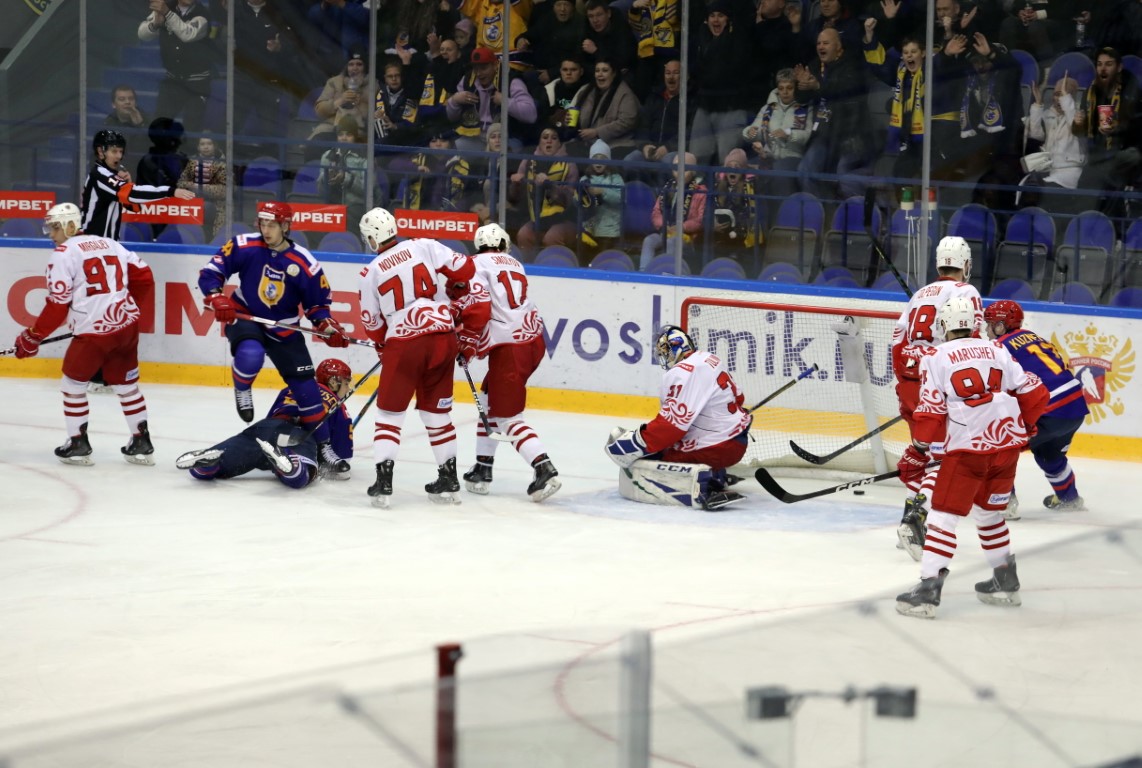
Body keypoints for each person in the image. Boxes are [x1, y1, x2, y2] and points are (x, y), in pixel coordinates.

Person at [895, 297, 1048, 619]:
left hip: (967, 452)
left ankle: (927, 591)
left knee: (941, 516)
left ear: (944, 326)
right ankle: (1005, 582)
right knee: (990, 515)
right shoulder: (998, 350)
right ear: (975, 324)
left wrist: (918, 450)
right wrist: (1027, 426)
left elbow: (932, 412)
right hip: (1005, 450)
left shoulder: (935, 356)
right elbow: (1035, 392)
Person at [197, 201, 353, 478]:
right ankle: (242, 389)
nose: (266, 230)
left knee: (307, 390)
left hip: (285, 328)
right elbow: (212, 273)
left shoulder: (305, 262)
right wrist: (216, 295)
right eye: (263, 224)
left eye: (272, 225)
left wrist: (327, 326)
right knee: (250, 354)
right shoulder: (244, 245)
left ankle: (325, 447)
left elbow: (318, 306)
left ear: (286, 226)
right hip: (246, 316)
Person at [10, 203, 156, 466]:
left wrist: (32, 337)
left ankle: (78, 443)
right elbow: (145, 277)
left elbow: (57, 304)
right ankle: (141, 441)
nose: (51, 234)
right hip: (126, 328)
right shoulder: (109, 243)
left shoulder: (64, 254)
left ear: (70, 225)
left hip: (93, 334)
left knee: (72, 384)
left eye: (55, 227)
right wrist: (126, 307)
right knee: (126, 385)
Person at [356, 207, 476, 508]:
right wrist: (455, 286)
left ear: (372, 238)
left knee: (389, 414)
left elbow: (371, 322)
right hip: (443, 336)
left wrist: (385, 344)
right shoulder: (424, 244)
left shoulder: (370, 271)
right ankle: (448, 478)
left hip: (406, 340)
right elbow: (465, 270)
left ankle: (384, 482)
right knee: (437, 414)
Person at [450, 223, 561, 502]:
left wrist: (467, 343)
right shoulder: (514, 262)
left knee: (507, 417)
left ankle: (543, 467)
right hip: (532, 340)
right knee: (489, 399)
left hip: (511, 347)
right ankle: (483, 467)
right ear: (503, 243)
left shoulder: (473, 264)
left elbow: (479, 306)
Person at [891, 235, 983, 560]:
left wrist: (905, 384)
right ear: (966, 265)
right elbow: (975, 339)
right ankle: (917, 516)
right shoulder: (967, 291)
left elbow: (896, 339)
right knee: (944, 456)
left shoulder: (919, 293)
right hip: (940, 379)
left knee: (922, 452)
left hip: (910, 378)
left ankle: (907, 518)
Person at [604, 325, 752, 511]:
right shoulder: (709, 358)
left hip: (716, 447)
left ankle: (704, 484)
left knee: (654, 459)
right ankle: (716, 471)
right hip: (738, 440)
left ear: (674, 349)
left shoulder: (682, 372)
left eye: (665, 352)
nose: (664, 358)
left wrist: (635, 443)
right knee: (669, 445)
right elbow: (739, 399)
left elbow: (670, 428)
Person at [175, 359, 355, 488]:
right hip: (297, 434)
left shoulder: (291, 389)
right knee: (304, 474)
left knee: (231, 458)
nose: (349, 389)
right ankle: (293, 467)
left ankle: (208, 466)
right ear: (333, 382)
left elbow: (273, 417)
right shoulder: (336, 404)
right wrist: (336, 462)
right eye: (347, 383)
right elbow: (341, 457)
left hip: (264, 428)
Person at [983, 300, 1089, 514]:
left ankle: (1003, 504)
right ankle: (1069, 499)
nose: (986, 330)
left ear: (1001, 326)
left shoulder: (999, 347)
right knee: (1048, 452)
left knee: (1000, 447)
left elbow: (1000, 389)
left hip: (1049, 410)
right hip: (1076, 408)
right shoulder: (1033, 336)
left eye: (990, 324)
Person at [81, 129, 195, 241]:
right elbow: (132, 194)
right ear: (101, 152)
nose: (119, 156)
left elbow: (135, 207)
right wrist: (170, 191)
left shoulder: (110, 176)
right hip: (91, 243)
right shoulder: (99, 175)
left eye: (121, 151)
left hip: (107, 244)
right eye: (114, 151)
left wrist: (128, 184)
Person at [137, 0, 214, 133]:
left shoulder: (202, 14)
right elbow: (142, 34)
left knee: (191, 129)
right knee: (159, 125)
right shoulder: (168, 7)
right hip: (173, 80)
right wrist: (155, 24)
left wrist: (167, 13)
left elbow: (188, 34)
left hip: (197, 83)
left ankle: (188, 151)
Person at [1018, 75, 1086, 208]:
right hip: (1046, 170)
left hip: (1067, 173)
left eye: (1064, 95)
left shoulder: (1079, 116)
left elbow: (1073, 118)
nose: (1059, 98)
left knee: (1037, 191)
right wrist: (1038, 105)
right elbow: (1036, 134)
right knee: (1026, 187)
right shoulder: (1049, 114)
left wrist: (1066, 99)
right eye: (1056, 94)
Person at [510, 126, 580, 252]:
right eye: (545, 137)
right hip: (535, 219)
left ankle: (557, 270)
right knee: (523, 235)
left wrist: (550, 186)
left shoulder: (570, 165)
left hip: (564, 219)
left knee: (551, 238)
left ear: (559, 143)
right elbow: (514, 199)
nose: (549, 141)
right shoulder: (527, 162)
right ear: (539, 142)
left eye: (554, 138)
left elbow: (569, 201)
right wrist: (516, 184)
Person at [177, 134, 229, 240]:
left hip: (217, 207)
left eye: (209, 144)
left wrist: (199, 187)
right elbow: (181, 183)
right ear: (198, 147)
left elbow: (224, 190)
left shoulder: (223, 164)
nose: (206, 147)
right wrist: (193, 187)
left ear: (215, 146)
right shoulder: (191, 163)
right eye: (202, 144)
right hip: (192, 204)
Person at [579, 139, 624, 258]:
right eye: (595, 158)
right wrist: (582, 196)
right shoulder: (584, 180)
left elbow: (621, 199)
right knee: (584, 261)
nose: (598, 162)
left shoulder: (616, 179)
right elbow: (577, 203)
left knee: (602, 262)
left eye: (602, 158)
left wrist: (603, 191)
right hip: (588, 231)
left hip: (609, 232)